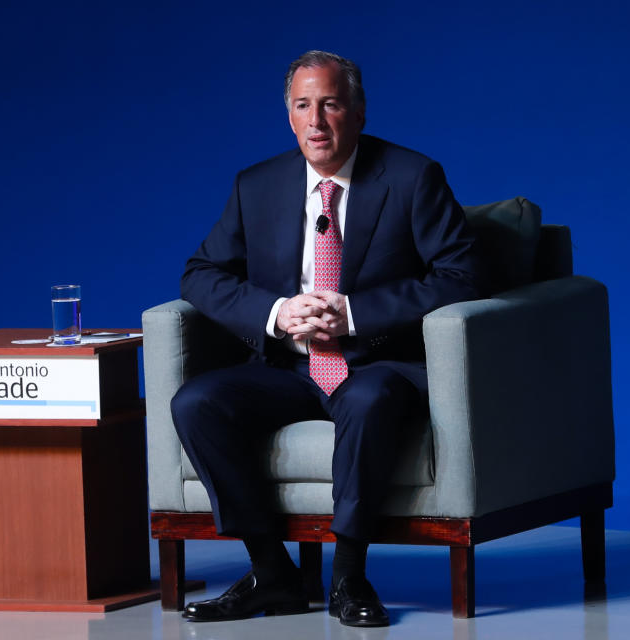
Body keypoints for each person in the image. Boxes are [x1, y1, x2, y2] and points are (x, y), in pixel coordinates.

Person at [170, 50, 485, 627]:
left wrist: (355, 314)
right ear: (289, 117)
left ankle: (349, 577)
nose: (317, 121)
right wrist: (277, 312)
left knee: (366, 402)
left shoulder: (414, 178)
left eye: (331, 104)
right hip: (288, 367)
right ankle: (272, 574)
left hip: (377, 364)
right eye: (303, 106)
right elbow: (200, 272)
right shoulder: (256, 185)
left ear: (359, 112)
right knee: (196, 403)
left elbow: (461, 275)